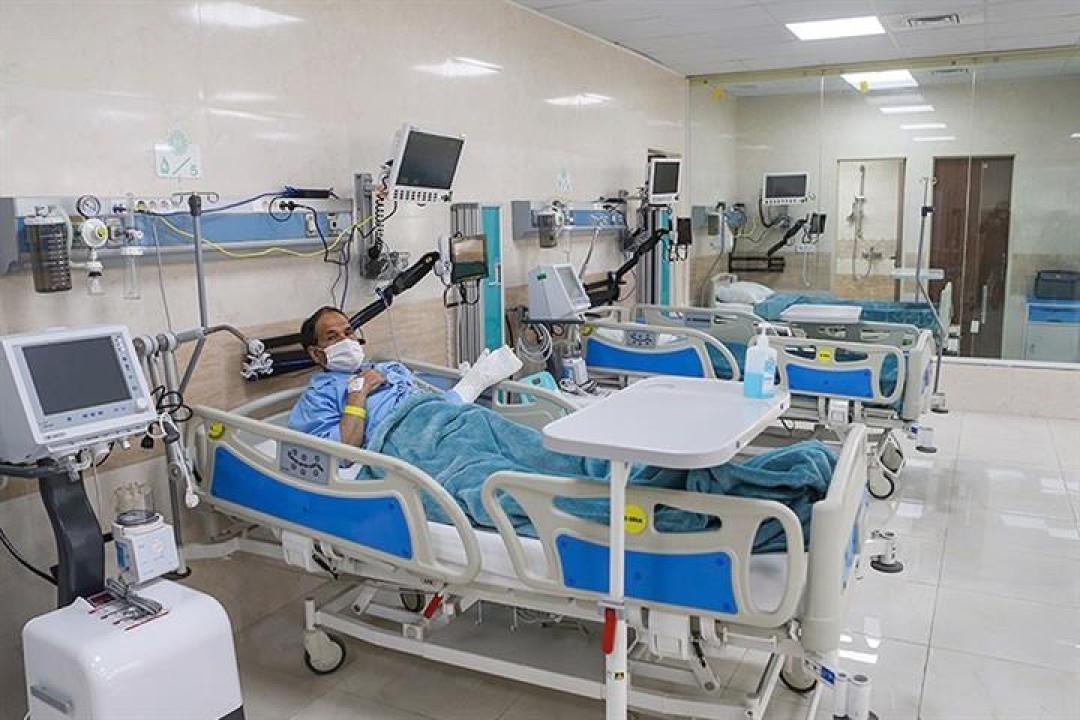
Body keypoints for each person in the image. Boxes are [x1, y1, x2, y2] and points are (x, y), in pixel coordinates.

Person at [287, 306, 522, 447]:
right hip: (414, 443)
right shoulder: (319, 397)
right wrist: (358, 395)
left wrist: (472, 384)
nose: (346, 341)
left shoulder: (389, 369)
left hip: (448, 422)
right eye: (332, 337)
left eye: (348, 332)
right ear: (316, 354)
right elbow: (340, 452)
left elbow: (433, 406)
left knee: (515, 439)